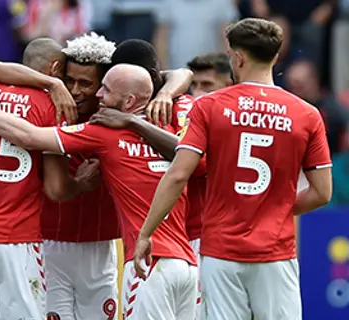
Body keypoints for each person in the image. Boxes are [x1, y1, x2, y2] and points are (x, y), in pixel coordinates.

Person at [0, 63, 198, 320]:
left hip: (148, 263)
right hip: (187, 266)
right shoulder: (169, 128)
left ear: (128, 101)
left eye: (105, 88)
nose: (99, 95)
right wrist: (163, 96)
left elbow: (29, 136)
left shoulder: (106, 133)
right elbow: (181, 77)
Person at [135, 18, 333, 320]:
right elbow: (322, 193)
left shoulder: (209, 107)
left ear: (237, 58)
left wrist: (146, 232)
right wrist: (275, 208)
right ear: (275, 57)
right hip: (276, 252)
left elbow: (178, 174)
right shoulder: (307, 114)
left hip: (220, 251)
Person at [0, 37, 97, 320]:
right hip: (16, 235)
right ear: (55, 68)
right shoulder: (51, 106)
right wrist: (82, 184)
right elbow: (56, 188)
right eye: (64, 77)